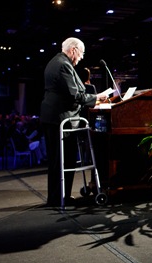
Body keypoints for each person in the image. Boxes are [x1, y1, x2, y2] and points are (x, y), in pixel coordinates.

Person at [40, 37, 108, 207]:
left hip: (54, 118)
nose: (81, 57)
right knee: (64, 160)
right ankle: (59, 198)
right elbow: (75, 95)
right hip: (61, 119)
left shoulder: (55, 61)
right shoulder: (63, 65)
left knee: (57, 160)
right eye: (81, 53)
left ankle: (58, 197)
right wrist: (97, 97)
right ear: (74, 50)